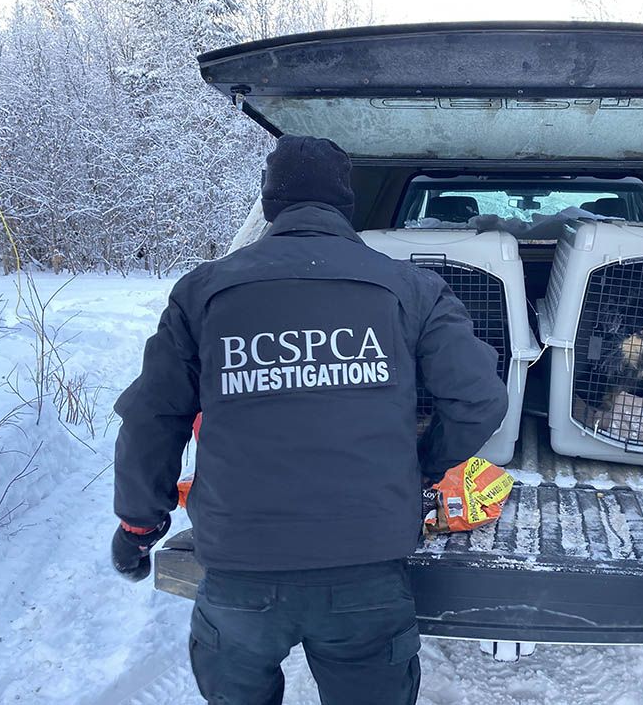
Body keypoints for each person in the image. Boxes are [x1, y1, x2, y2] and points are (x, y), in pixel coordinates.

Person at [110, 135, 509, 705]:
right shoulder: (413, 288)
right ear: (346, 206)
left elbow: (153, 416)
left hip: (240, 568)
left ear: (270, 206)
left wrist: (138, 525)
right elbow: (479, 399)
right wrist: (421, 464)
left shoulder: (203, 291)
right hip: (367, 564)